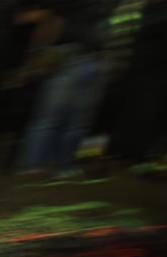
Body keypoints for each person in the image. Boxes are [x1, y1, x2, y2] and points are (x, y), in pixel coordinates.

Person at [15, 0, 116, 179]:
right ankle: (34, 165)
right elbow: (48, 16)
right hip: (68, 55)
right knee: (52, 117)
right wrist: (38, 54)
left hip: (94, 58)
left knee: (76, 121)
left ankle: (61, 166)